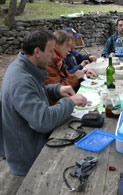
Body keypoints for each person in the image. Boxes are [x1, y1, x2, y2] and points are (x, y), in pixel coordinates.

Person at [0, 30, 87, 176]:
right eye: (51, 51)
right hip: (30, 158)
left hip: (34, 143)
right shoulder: (20, 80)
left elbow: (36, 93)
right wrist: (70, 101)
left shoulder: (25, 67)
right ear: (37, 52)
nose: (54, 55)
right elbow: (43, 121)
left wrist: (57, 89)